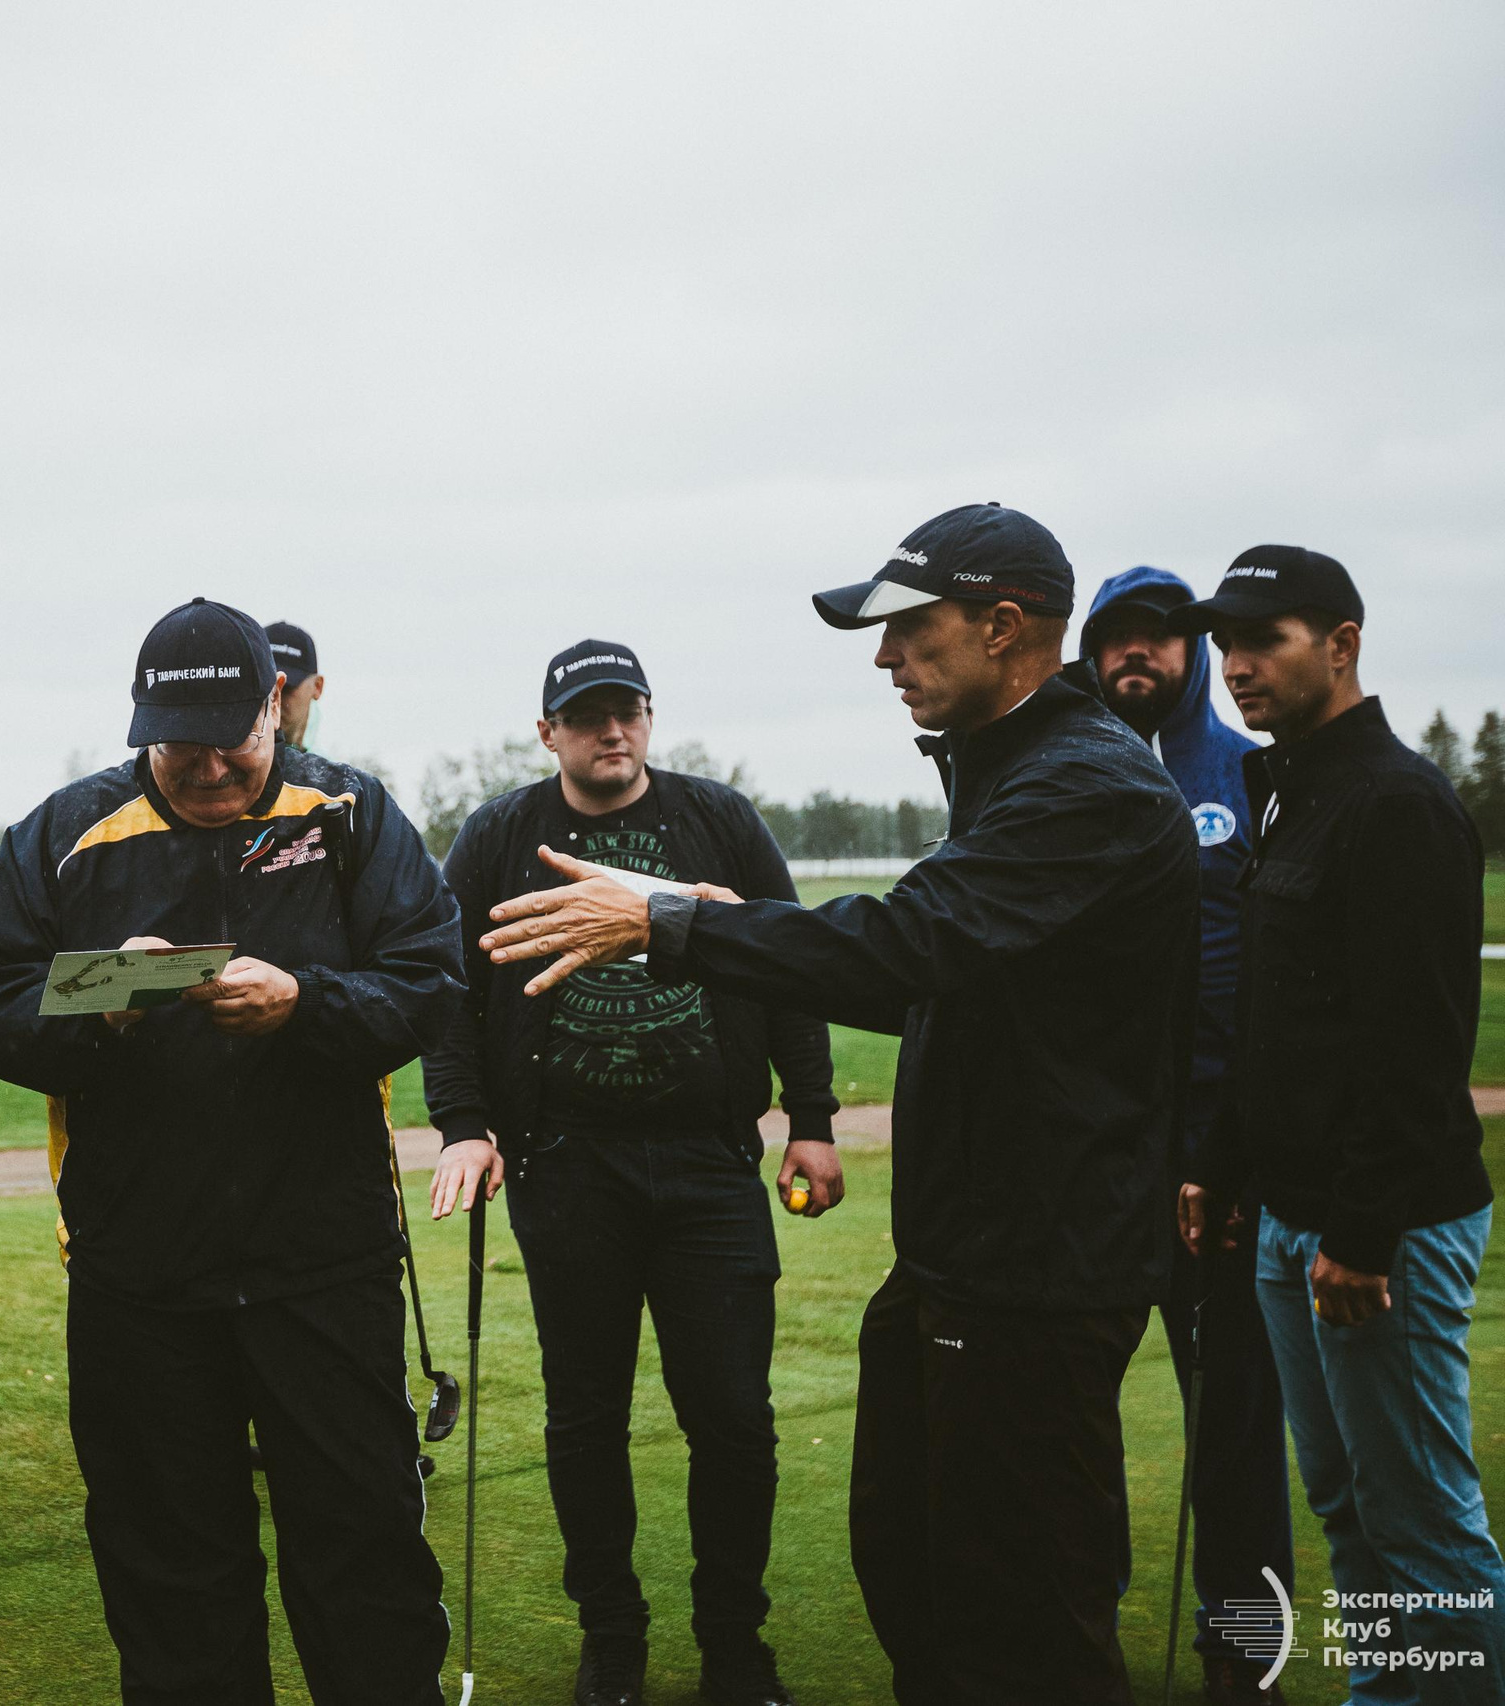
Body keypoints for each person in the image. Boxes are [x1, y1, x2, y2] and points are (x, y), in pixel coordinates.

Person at [480, 504, 1199, 1706]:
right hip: (971, 1255)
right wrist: (716, 914)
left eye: (908, 630)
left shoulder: (1087, 786)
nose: (882, 658)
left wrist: (668, 920)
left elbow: (905, 945)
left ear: (1004, 627)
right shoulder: (1022, 767)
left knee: (1022, 1617)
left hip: (1036, 1265)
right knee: (922, 1580)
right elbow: (933, 942)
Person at [0, 596, 463, 1705]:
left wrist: (307, 1000)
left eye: (232, 740)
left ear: (275, 710)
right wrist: (104, 996)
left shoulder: (350, 812)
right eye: (179, 745)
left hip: (325, 1261)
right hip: (141, 1272)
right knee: (171, 1577)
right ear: (141, 723)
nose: (209, 768)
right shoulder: (63, 832)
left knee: (363, 1558)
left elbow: (430, 978)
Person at [423, 638, 841, 1706]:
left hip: (708, 1162)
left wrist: (810, 1117)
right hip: (568, 1163)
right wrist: (465, 1122)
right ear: (547, 731)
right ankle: (611, 1635)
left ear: (650, 718)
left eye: (629, 710)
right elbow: (445, 988)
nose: (612, 730)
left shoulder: (718, 819)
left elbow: (790, 961)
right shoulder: (502, 834)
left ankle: (734, 1646)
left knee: (734, 1416)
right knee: (585, 1411)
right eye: (588, 714)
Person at [1174, 547, 1505, 1700]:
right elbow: (1272, 1020)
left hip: (1382, 1234)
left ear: (1343, 643)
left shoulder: (1399, 806)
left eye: (1262, 638)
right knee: (1348, 1514)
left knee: (1420, 1532)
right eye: (1225, 644)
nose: (1236, 665)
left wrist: (1360, 1235)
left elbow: (1414, 1050)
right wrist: (1220, 1164)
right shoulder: (1286, 788)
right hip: (1283, 1222)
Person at [1081, 567, 1293, 1706]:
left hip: (1225, 1158)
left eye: (1157, 639)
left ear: (1192, 652)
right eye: (1115, 640)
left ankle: (1244, 1640)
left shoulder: (1251, 775)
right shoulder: (1065, 780)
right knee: (1075, 1400)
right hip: (1102, 1153)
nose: (1136, 658)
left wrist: (1238, 1143)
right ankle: (1079, 1617)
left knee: (1235, 1414)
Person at [266, 620, 326, 750]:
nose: (274, 699)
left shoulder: (326, 769)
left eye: (286, 687)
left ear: (317, 687)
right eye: (265, 687)